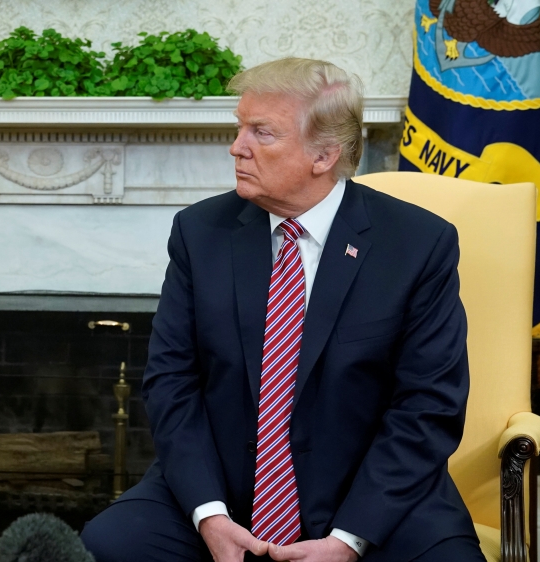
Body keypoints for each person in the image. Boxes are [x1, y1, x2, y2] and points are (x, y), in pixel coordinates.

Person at [80, 58, 483, 562]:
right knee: (108, 545)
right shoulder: (200, 233)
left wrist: (348, 540)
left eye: (261, 133)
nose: (237, 146)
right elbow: (171, 382)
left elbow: (429, 406)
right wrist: (210, 515)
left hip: (372, 499)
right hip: (224, 492)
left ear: (324, 155)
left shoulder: (418, 245)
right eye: (239, 127)